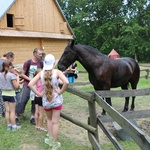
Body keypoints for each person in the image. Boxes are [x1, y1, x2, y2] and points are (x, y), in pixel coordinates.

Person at [28, 54, 69, 150]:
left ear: (45, 63)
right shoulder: (57, 72)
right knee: (55, 122)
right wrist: (60, 91)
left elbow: (30, 84)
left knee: (49, 120)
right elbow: (66, 82)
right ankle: (54, 143)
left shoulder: (40, 73)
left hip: (46, 101)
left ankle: (50, 139)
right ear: (54, 63)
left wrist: (39, 93)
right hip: (57, 101)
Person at [16, 48, 43, 125]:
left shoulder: (41, 63)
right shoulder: (27, 62)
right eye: (39, 54)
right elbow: (22, 74)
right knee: (23, 100)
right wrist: (30, 79)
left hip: (36, 86)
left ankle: (33, 117)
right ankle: (17, 115)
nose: (41, 55)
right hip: (27, 85)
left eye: (41, 54)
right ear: (34, 53)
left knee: (34, 101)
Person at [0, 60, 21, 131]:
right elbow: (16, 86)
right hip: (11, 94)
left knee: (7, 110)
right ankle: (14, 126)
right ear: (9, 66)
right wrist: (17, 77)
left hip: (3, 94)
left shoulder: (0, 74)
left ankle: (8, 126)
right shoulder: (11, 75)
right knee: (12, 111)